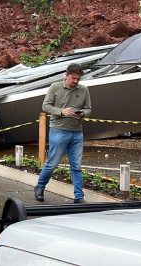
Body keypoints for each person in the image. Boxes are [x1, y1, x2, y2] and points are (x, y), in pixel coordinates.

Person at [35, 63, 91, 203]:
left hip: (77, 132)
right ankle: (40, 187)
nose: (76, 81)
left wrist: (83, 113)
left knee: (76, 166)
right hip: (58, 130)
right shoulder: (55, 87)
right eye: (73, 78)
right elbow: (45, 106)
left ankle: (79, 197)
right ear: (66, 76)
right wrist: (61, 111)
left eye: (78, 78)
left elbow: (89, 109)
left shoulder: (84, 90)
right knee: (52, 163)